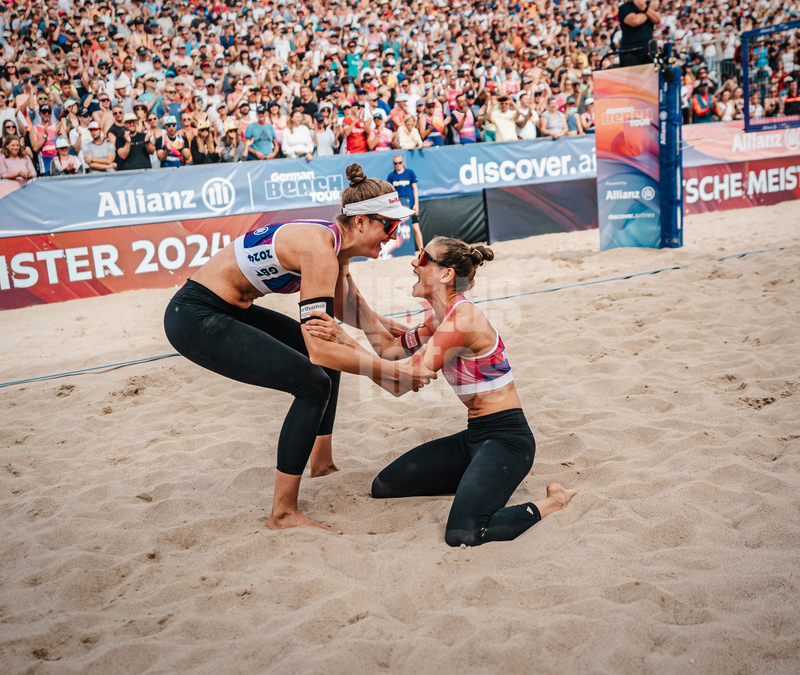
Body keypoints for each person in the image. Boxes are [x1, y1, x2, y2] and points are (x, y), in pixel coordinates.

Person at [163, 163, 435, 533]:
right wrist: (389, 371)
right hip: (195, 317)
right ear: (360, 223)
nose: (393, 234)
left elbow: (348, 305)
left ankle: (321, 463)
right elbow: (321, 349)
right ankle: (283, 513)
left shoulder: (334, 245)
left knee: (327, 366)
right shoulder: (319, 249)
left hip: (228, 308)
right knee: (313, 380)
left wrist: (386, 333)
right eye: (388, 225)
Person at [306, 238, 577, 547]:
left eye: (423, 258)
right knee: (384, 486)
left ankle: (555, 500)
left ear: (447, 274)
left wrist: (345, 341)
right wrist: (348, 282)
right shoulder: (438, 320)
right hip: (475, 437)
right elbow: (389, 351)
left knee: (465, 532)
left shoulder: (462, 320)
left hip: (508, 441)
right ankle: (492, 479)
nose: (413, 263)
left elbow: (402, 382)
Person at [386, 155, 423, 251]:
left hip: (410, 205)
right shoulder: (391, 176)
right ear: (393, 164)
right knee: (397, 229)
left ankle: (422, 250)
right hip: (398, 206)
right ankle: (400, 251)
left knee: (415, 228)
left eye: (399, 162)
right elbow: (390, 192)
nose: (398, 165)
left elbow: (415, 189)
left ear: (403, 162)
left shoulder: (410, 173)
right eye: (395, 163)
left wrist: (416, 204)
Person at [617, 0, 661, 67]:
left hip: (647, 50)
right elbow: (635, 21)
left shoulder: (648, 6)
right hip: (630, 52)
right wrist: (648, 10)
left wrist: (645, 9)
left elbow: (657, 19)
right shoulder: (624, 8)